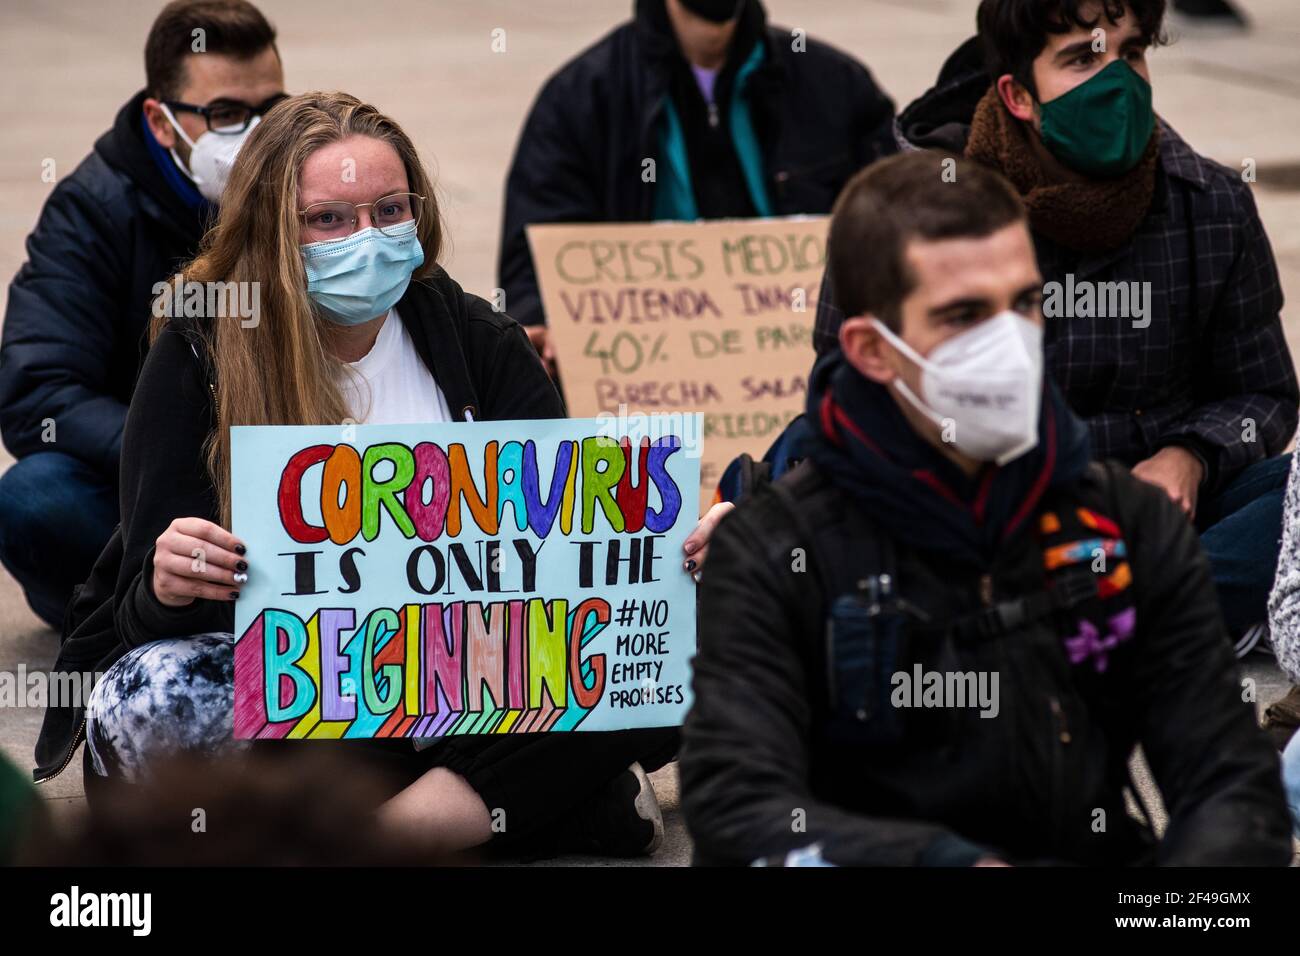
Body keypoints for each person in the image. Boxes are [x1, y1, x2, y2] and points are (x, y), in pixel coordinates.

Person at [32, 92, 675, 860]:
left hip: (463, 672)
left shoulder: (480, 341)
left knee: (672, 633)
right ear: (273, 229)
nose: (366, 238)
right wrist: (169, 585)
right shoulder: (200, 353)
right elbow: (138, 622)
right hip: (299, 687)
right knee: (150, 697)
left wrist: (665, 558)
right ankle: (545, 803)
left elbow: (571, 565)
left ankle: (368, 839)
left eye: (389, 209)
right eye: (329, 219)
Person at [679, 150, 1291, 866]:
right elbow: (736, 804)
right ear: (871, 350)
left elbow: (1229, 785)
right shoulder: (776, 551)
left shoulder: (1123, 524)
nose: (1011, 343)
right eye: (964, 315)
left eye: (1025, 303)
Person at [745, 0, 1297, 653]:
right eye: (1083, 58)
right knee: (806, 456)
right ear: (1017, 94)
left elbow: (1262, 395)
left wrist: (1192, 458)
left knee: (1290, 503)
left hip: (1153, 525)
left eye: (1131, 53)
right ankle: (1138, 621)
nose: (1117, 82)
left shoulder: (1211, 207)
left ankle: (1087, 620)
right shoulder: (906, 217)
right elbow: (848, 405)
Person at [0, 0, 286, 629]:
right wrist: (187, 458)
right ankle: (135, 602)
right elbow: (37, 394)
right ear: (162, 122)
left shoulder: (312, 192)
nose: (257, 133)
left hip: (295, 472)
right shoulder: (92, 210)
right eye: (227, 115)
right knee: (35, 497)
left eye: (271, 110)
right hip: (154, 489)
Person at [497, 0, 896, 373]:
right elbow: (536, 243)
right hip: (640, 370)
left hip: (798, 368)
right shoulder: (581, 97)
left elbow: (896, 222)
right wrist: (540, 321)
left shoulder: (836, 85)